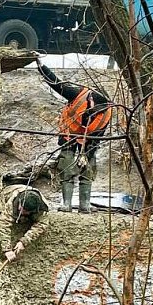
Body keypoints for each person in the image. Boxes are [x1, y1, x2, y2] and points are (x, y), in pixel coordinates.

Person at [37, 59, 113, 213]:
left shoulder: (106, 115)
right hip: (69, 132)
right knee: (67, 165)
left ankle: (85, 205)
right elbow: (55, 83)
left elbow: (96, 139)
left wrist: (86, 154)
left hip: (89, 138)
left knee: (89, 166)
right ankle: (67, 204)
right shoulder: (77, 94)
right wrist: (40, 65)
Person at [0, 184, 50, 262]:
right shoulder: (13, 201)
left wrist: (24, 241)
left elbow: (42, 225)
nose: (21, 211)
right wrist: (6, 249)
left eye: (25, 211)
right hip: (4, 193)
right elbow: (3, 224)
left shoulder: (42, 208)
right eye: (21, 208)